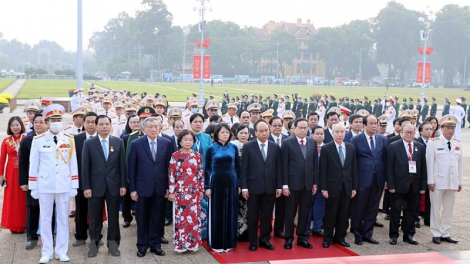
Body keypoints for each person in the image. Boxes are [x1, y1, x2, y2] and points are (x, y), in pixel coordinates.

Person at [28, 104, 78, 263]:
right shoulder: (38, 140)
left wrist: (74, 185)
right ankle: (47, 252)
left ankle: (62, 251)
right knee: (45, 219)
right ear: (47, 122)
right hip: (45, 185)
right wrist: (33, 187)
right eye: (53, 119)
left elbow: (73, 164)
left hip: (63, 184)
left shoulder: (69, 140)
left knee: (63, 219)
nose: (56, 122)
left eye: (59, 119)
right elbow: (33, 164)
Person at [81, 115, 127, 257]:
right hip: (95, 187)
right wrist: (86, 187)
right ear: (96, 126)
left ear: (111, 126)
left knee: (113, 218)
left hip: (113, 186)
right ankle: (94, 244)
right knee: (95, 218)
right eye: (101, 124)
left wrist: (123, 185)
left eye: (107, 124)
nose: (104, 127)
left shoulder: (118, 142)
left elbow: (122, 166)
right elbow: (85, 167)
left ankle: (113, 245)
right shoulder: (89, 143)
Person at [128, 117, 172, 257]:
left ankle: (155, 244)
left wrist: (168, 187)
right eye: (150, 127)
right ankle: (142, 245)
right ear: (144, 129)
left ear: (160, 127)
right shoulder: (136, 144)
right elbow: (132, 168)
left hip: (160, 187)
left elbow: (168, 167)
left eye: (156, 126)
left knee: (157, 217)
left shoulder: (166, 143)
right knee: (142, 218)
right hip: (142, 188)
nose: (153, 129)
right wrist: (133, 189)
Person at [241, 120, 282, 251]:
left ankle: (265, 240)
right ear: (255, 132)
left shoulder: (275, 147)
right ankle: (253, 242)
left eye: (266, 131)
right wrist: (245, 187)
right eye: (261, 131)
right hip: (253, 187)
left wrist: (279, 186)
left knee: (267, 215)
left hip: (270, 187)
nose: (264, 133)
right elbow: (244, 169)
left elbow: (278, 168)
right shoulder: (248, 146)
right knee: (252, 216)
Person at [386, 123, 427, 246]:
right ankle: (393, 235)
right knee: (395, 211)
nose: (409, 135)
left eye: (412, 132)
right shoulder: (393, 146)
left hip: (413, 185)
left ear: (415, 133)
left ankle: (409, 235)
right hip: (398, 186)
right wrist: (391, 185)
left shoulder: (420, 146)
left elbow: (423, 168)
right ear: (402, 133)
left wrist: (422, 186)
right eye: (407, 132)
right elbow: (389, 167)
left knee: (410, 212)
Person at [350, 115, 387, 245]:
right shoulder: (356, 139)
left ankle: (368, 234)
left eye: (375, 123)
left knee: (373, 208)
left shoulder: (383, 139)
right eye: (370, 123)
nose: (373, 126)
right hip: (362, 179)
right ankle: (358, 234)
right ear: (365, 125)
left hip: (378, 179)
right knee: (359, 207)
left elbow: (385, 160)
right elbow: (352, 162)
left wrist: (386, 179)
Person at [282, 118, 318, 250]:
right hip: (292, 184)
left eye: (305, 128)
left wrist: (314, 183)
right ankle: (289, 239)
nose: (303, 130)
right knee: (290, 212)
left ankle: (303, 237)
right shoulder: (287, 143)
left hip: (308, 184)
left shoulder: (312, 143)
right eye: (300, 128)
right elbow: (284, 166)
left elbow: (314, 165)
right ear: (294, 128)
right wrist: (284, 185)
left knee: (304, 212)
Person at [320, 123, 358, 248]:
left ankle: (340, 238)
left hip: (346, 187)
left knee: (343, 214)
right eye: (337, 132)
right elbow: (323, 170)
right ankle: (327, 238)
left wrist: (354, 187)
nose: (340, 134)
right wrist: (324, 188)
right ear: (332, 133)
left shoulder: (351, 148)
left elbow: (353, 169)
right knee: (330, 213)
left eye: (342, 132)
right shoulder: (326, 148)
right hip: (332, 187)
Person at [204, 123, 241, 252]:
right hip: (216, 182)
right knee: (217, 212)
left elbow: (237, 167)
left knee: (231, 211)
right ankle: (217, 243)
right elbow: (207, 169)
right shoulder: (211, 148)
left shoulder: (234, 147)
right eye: (222, 132)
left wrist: (239, 184)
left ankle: (229, 242)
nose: (225, 134)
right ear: (216, 134)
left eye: (227, 132)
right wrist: (207, 187)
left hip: (231, 182)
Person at [426, 115, 462, 245]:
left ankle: (445, 232)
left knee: (448, 208)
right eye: (447, 128)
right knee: (435, 208)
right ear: (442, 129)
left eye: (452, 128)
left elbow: (460, 165)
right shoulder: (434, 142)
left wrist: (459, 182)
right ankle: (435, 233)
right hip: (438, 182)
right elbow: (429, 163)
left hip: (452, 182)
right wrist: (430, 181)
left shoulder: (457, 143)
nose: (450, 131)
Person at [168, 130, 204, 253]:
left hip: (194, 192)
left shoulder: (197, 156)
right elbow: (171, 175)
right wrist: (172, 192)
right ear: (180, 141)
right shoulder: (175, 156)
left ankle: (193, 244)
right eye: (185, 140)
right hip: (180, 192)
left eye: (190, 140)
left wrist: (201, 190)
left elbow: (200, 174)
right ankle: (181, 244)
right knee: (181, 218)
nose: (188, 142)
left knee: (194, 218)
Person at [19, 111, 48, 250]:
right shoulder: (27, 141)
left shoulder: (52, 139)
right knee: (33, 208)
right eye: (35, 122)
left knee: (50, 209)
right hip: (33, 181)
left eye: (41, 122)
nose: (37, 124)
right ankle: (31, 237)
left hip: (49, 180)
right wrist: (23, 182)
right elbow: (23, 163)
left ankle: (49, 236)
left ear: (47, 124)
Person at [72, 112, 102, 247]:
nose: (90, 125)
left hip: (98, 180)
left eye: (93, 122)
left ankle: (97, 236)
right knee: (81, 208)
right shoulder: (76, 139)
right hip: (81, 180)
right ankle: (80, 236)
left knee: (97, 210)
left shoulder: (102, 138)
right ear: (83, 123)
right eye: (88, 122)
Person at [1, 116, 27, 233]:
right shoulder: (6, 141)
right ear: (9, 127)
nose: (15, 127)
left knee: (23, 197)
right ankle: (12, 224)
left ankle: (24, 224)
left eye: (17, 125)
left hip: (24, 171)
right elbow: (2, 159)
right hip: (11, 172)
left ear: (21, 125)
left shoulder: (26, 138)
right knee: (12, 198)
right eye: (12, 125)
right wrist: (1, 174)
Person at [189, 113, 212, 239]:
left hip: (204, 176)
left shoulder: (207, 137)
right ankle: (191, 232)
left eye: (200, 122)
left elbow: (210, 157)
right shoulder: (186, 136)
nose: (198, 124)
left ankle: (204, 233)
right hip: (190, 177)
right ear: (190, 123)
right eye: (195, 121)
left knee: (204, 205)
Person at [306, 126, 326, 237]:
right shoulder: (309, 147)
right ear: (312, 135)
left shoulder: (328, 147)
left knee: (320, 206)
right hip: (310, 182)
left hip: (323, 182)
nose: (319, 136)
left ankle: (317, 228)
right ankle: (306, 228)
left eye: (321, 134)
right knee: (308, 206)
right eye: (317, 134)